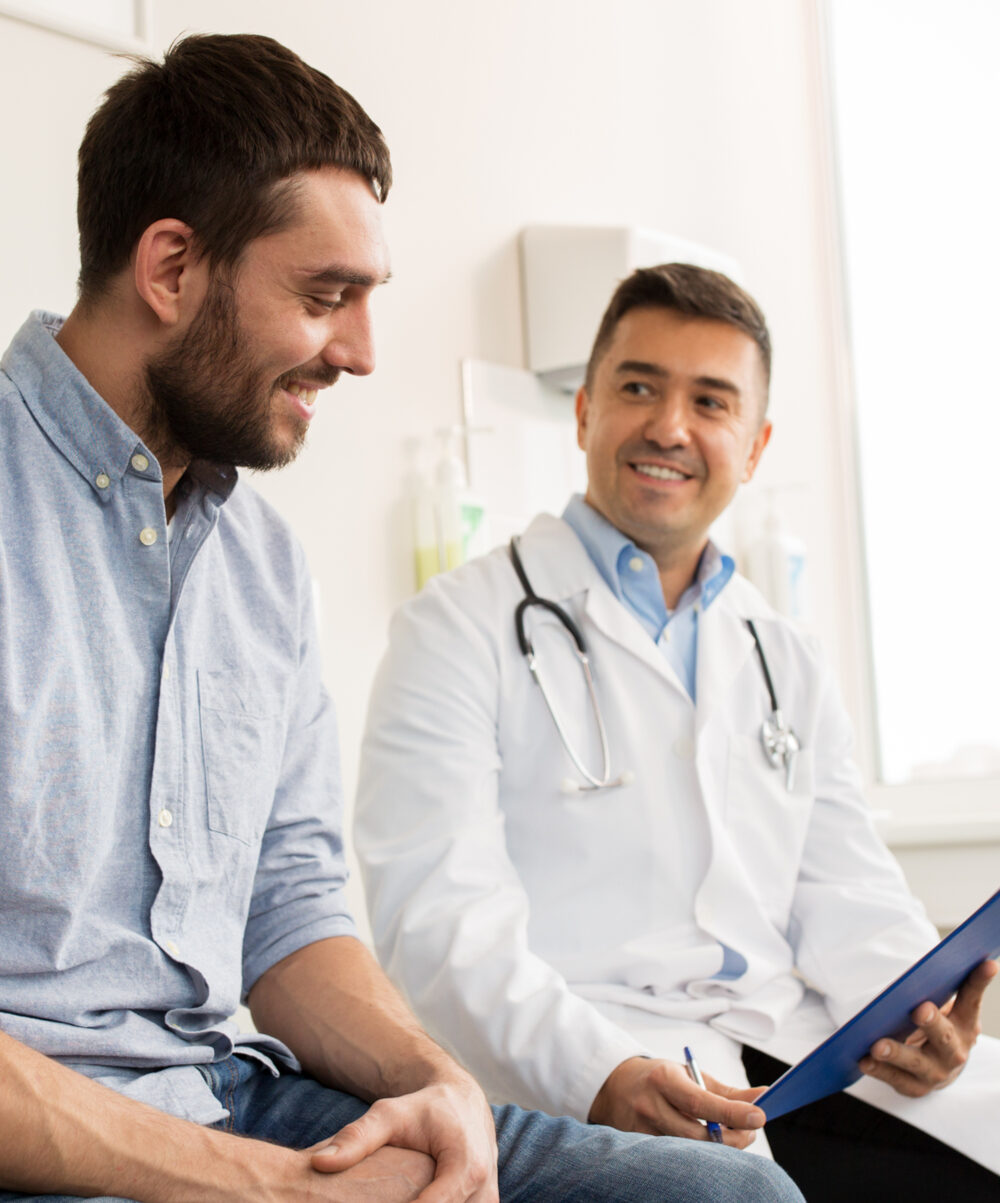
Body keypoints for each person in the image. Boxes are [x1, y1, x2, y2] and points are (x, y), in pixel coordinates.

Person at [0, 35, 805, 1203]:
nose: (363, 354)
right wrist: (265, 1188)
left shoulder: (261, 566)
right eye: (326, 297)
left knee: (726, 1198)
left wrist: (436, 1086)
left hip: (231, 1093)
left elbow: (288, 911)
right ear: (170, 269)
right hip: (55, 1141)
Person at [354, 263, 1000, 1201]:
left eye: (711, 400)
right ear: (583, 412)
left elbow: (848, 892)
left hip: (793, 1048)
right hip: (591, 1059)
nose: (670, 425)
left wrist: (921, 1015)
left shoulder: (784, 652)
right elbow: (440, 929)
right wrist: (598, 1071)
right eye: (638, 387)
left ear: (755, 443)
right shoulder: (454, 628)